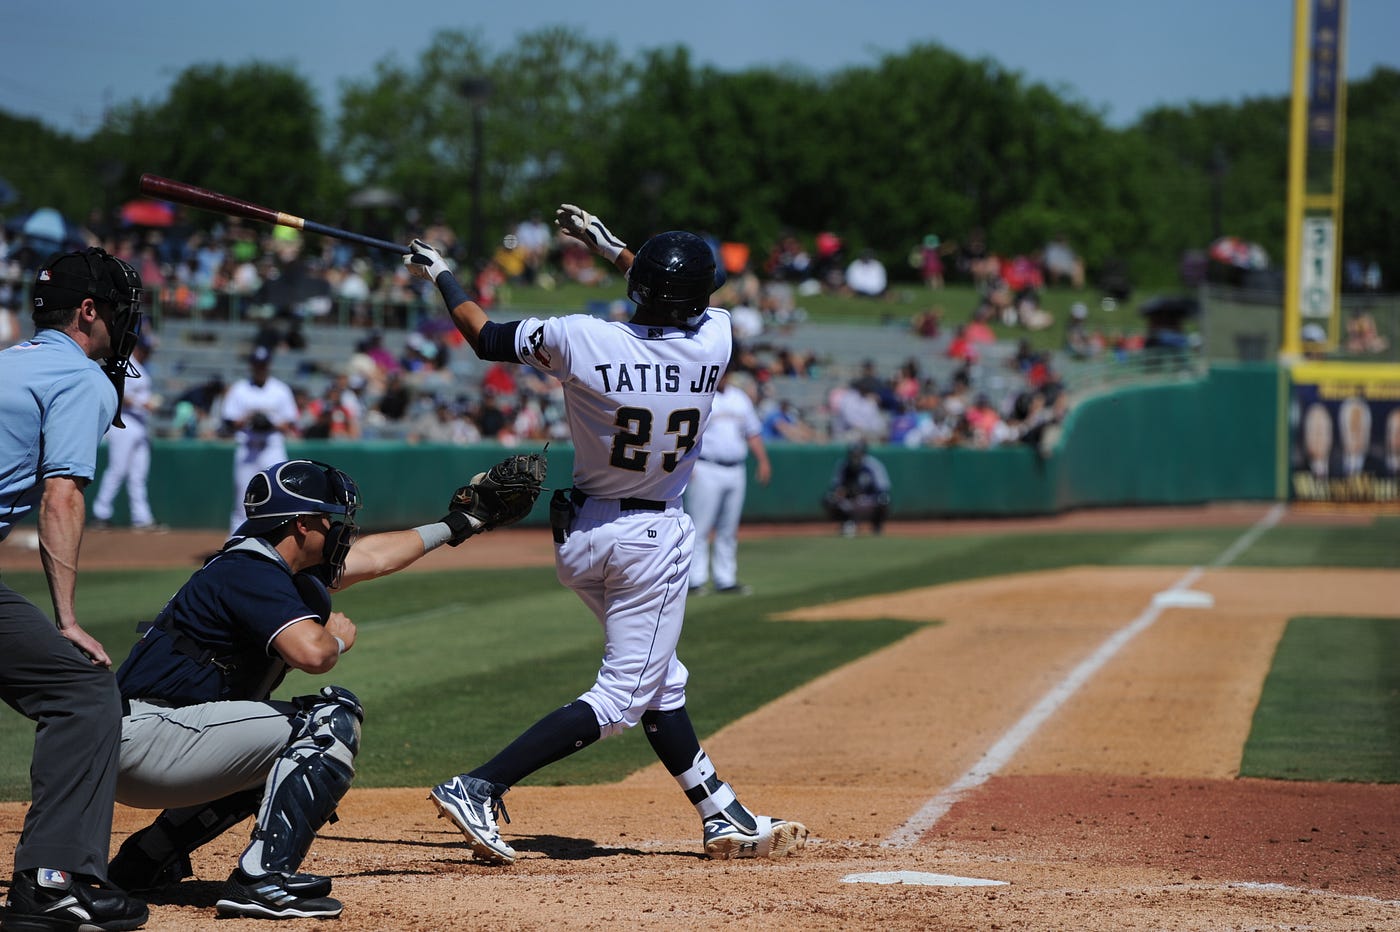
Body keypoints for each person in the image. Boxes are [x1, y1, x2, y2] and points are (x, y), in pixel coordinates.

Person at [404, 204, 807, 865]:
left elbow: (484, 337)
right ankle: (478, 785)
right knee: (623, 695)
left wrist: (443, 274)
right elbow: (680, 297)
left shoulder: (581, 338)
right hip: (650, 537)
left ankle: (722, 814)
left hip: (582, 531)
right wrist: (612, 246)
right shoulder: (718, 339)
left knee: (661, 682)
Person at [106, 458, 503, 920]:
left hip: (150, 741)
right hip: (150, 740)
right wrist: (336, 638)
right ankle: (262, 879)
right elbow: (313, 655)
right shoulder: (249, 571)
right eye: (329, 520)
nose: (338, 530)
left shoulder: (272, 568)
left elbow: (376, 558)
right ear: (300, 524)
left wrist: (463, 523)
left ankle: (145, 860)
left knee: (279, 755)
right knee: (329, 720)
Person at [0, 248, 150, 931]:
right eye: (116, 314)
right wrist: (67, 618)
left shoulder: (8, 362)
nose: (122, 329)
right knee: (82, 689)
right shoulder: (81, 377)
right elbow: (61, 496)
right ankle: (53, 881)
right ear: (89, 312)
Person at [684, 368, 772, 596]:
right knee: (699, 526)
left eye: (726, 373)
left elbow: (752, 432)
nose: (723, 377)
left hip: (736, 468)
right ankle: (695, 579)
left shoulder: (739, 398)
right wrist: (686, 465)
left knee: (728, 528)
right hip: (706, 466)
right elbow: (688, 434)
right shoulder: (701, 396)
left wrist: (762, 460)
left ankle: (725, 578)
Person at [221, 345, 299, 534]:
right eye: (257, 364)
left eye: (263, 364)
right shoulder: (240, 389)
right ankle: (235, 542)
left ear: (269, 365)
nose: (260, 368)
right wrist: (250, 418)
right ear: (251, 365)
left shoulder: (280, 389)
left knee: (280, 495)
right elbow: (229, 420)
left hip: (272, 447)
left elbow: (290, 422)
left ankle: (279, 540)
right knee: (243, 498)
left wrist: (269, 421)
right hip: (248, 447)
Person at [92, 334, 164, 531]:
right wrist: (143, 403)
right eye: (146, 349)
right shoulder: (126, 365)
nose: (148, 353)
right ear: (138, 348)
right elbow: (118, 394)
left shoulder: (141, 367)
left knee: (138, 475)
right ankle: (101, 514)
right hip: (124, 424)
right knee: (117, 470)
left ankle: (141, 518)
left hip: (140, 425)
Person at [822, 440, 892, 537]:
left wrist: (864, 498)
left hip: (868, 500)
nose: (855, 457)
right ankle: (846, 522)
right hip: (849, 500)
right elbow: (836, 487)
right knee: (829, 499)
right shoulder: (844, 465)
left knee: (884, 499)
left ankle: (877, 525)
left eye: (858, 454)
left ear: (863, 454)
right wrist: (841, 493)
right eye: (853, 454)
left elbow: (882, 488)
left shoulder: (873, 465)